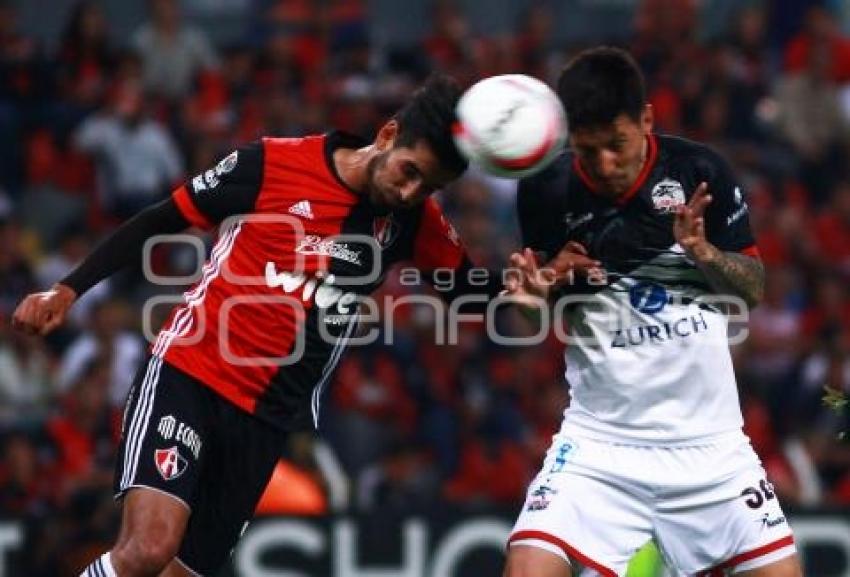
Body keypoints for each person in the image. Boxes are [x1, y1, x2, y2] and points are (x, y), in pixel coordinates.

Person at [13, 73, 501, 577]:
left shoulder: (415, 221)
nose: (410, 191)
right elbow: (162, 218)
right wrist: (68, 289)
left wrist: (540, 280)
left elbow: (471, 294)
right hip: (191, 375)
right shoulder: (274, 162)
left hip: (268, 420)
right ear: (387, 135)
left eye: (430, 187)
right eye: (410, 172)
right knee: (146, 551)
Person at [502, 47, 803, 577]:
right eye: (587, 150)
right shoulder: (546, 191)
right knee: (526, 567)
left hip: (710, 449)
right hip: (599, 446)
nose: (605, 164)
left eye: (616, 145)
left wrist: (704, 253)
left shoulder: (699, 171)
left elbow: (751, 289)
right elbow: (545, 312)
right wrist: (536, 299)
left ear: (645, 118)